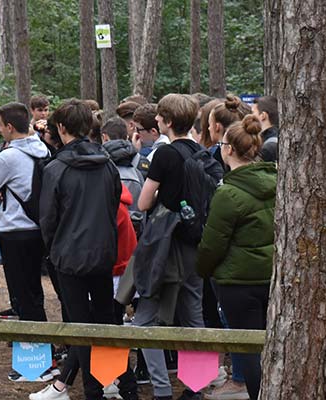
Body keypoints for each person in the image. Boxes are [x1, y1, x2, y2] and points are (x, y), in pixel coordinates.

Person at [31, 99, 127, 400]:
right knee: (104, 321)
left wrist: (56, 247)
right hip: (99, 252)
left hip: (72, 255)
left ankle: (97, 389)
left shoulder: (57, 168)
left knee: (83, 326)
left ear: (61, 127)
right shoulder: (104, 164)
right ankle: (110, 383)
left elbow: (47, 218)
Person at [133, 93, 208, 400]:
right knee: (193, 315)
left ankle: (162, 390)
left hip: (165, 246)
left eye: (160, 117)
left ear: (168, 122)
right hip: (195, 243)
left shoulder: (164, 155)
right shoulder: (201, 153)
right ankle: (196, 387)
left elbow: (143, 201)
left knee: (145, 319)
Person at [197, 116, 276, 400]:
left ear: (228, 149)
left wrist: (203, 270)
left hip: (238, 283)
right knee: (272, 345)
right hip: (272, 278)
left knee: (249, 349)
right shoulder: (278, 181)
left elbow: (212, 243)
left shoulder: (228, 193)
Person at [0, 102, 50, 324]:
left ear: (10, 127)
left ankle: (34, 346)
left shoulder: (7, 156)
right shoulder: (43, 149)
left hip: (14, 229)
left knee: (21, 293)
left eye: (0, 124)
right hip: (37, 227)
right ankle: (39, 343)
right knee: (34, 289)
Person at [251, 95, 280, 162]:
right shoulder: (280, 137)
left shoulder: (268, 147)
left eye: (253, 112)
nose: (250, 116)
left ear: (263, 115)